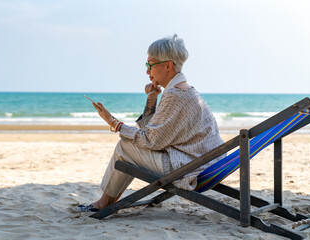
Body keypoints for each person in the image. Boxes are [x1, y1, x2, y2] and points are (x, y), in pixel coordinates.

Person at [75, 34, 225, 212]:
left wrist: (114, 124)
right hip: (201, 163)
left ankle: (104, 203)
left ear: (168, 65)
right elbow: (156, 132)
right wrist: (152, 98)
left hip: (187, 169)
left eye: (150, 65)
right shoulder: (184, 90)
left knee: (125, 146)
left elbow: (151, 141)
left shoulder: (175, 95)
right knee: (129, 144)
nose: (147, 71)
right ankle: (108, 202)